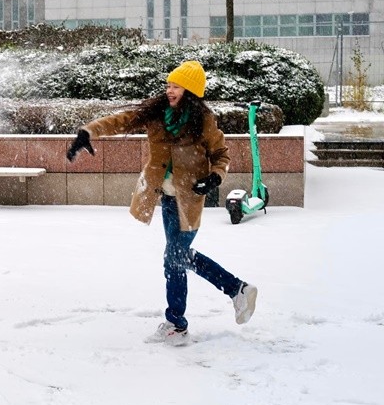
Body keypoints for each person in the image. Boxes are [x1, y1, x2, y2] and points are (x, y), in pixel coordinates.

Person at [66, 60, 257, 346]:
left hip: (188, 198)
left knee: (174, 258)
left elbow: (221, 155)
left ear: (190, 91)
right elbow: (122, 120)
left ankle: (182, 321)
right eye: (168, 85)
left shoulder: (203, 121)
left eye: (176, 86)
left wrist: (215, 178)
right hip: (165, 198)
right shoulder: (156, 113)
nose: (169, 90)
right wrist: (88, 132)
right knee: (178, 257)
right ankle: (233, 291)